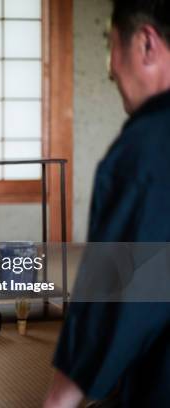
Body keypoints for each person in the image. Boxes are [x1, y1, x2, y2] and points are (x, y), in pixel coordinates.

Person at [44, 0, 170, 406]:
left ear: (146, 44)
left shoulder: (146, 150)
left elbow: (116, 301)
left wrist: (59, 399)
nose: (111, 67)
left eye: (111, 46)